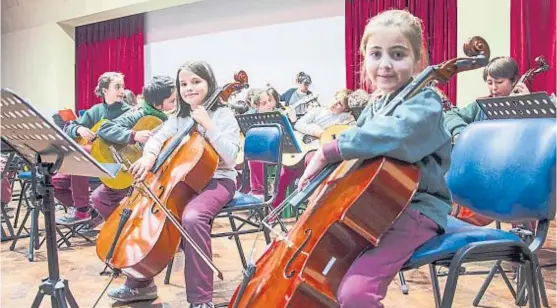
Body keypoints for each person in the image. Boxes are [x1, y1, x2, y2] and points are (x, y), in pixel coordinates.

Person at [298, 10, 452, 307]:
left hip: (417, 211)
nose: (385, 65)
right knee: (323, 273)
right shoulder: (375, 105)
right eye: (376, 54)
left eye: (397, 54)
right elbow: (360, 152)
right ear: (364, 59)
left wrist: (329, 150)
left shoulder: (425, 103)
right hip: (376, 209)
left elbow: (395, 133)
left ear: (419, 61)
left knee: (356, 293)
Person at [107, 61, 240, 308]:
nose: (189, 88)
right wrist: (148, 156)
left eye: (196, 82)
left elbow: (231, 157)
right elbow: (158, 137)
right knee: (148, 213)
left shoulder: (222, 115)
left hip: (219, 179)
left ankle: (201, 299)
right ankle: (140, 283)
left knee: (192, 217)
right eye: (183, 84)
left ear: (209, 82)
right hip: (183, 180)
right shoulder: (180, 116)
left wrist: (209, 126)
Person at [88, 75, 177, 225]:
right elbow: (104, 128)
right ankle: (121, 230)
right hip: (134, 171)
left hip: (157, 176)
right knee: (99, 197)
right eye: (172, 101)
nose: (176, 105)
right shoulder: (139, 114)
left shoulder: (175, 120)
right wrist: (133, 135)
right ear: (157, 104)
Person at [249, 89, 355, 209]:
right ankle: (272, 215)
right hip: (301, 149)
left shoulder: (345, 119)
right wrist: (317, 131)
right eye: (336, 99)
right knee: (281, 179)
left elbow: (344, 134)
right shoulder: (318, 111)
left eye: (340, 103)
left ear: (345, 109)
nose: (336, 103)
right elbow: (299, 124)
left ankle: (313, 208)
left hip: (316, 152)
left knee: (312, 163)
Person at [54, 72, 131, 225]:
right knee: (55, 183)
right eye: (117, 87)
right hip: (90, 159)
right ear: (105, 91)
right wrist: (79, 130)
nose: (122, 91)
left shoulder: (129, 111)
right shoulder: (96, 110)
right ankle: (91, 210)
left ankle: (81, 209)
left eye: (123, 86)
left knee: (81, 152)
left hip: (113, 161)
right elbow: (71, 127)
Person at [444, 56, 530, 140]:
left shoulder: (525, 105)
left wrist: (528, 103)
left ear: (514, 81)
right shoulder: (481, 105)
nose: (494, 88)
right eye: (489, 83)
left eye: (499, 82)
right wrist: (460, 132)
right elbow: (450, 115)